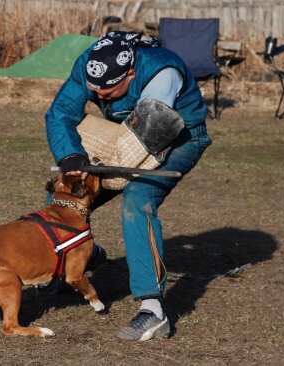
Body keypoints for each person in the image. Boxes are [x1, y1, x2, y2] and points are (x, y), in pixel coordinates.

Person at [45, 31, 212, 341]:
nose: (102, 98)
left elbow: (140, 149)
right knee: (66, 189)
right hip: (127, 130)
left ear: (131, 73)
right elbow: (59, 114)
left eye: (110, 91)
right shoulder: (90, 65)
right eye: (96, 92)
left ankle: (153, 311)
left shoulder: (164, 76)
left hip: (178, 137)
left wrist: (96, 172)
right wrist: (71, 158)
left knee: (137, 198)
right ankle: (75, 259)